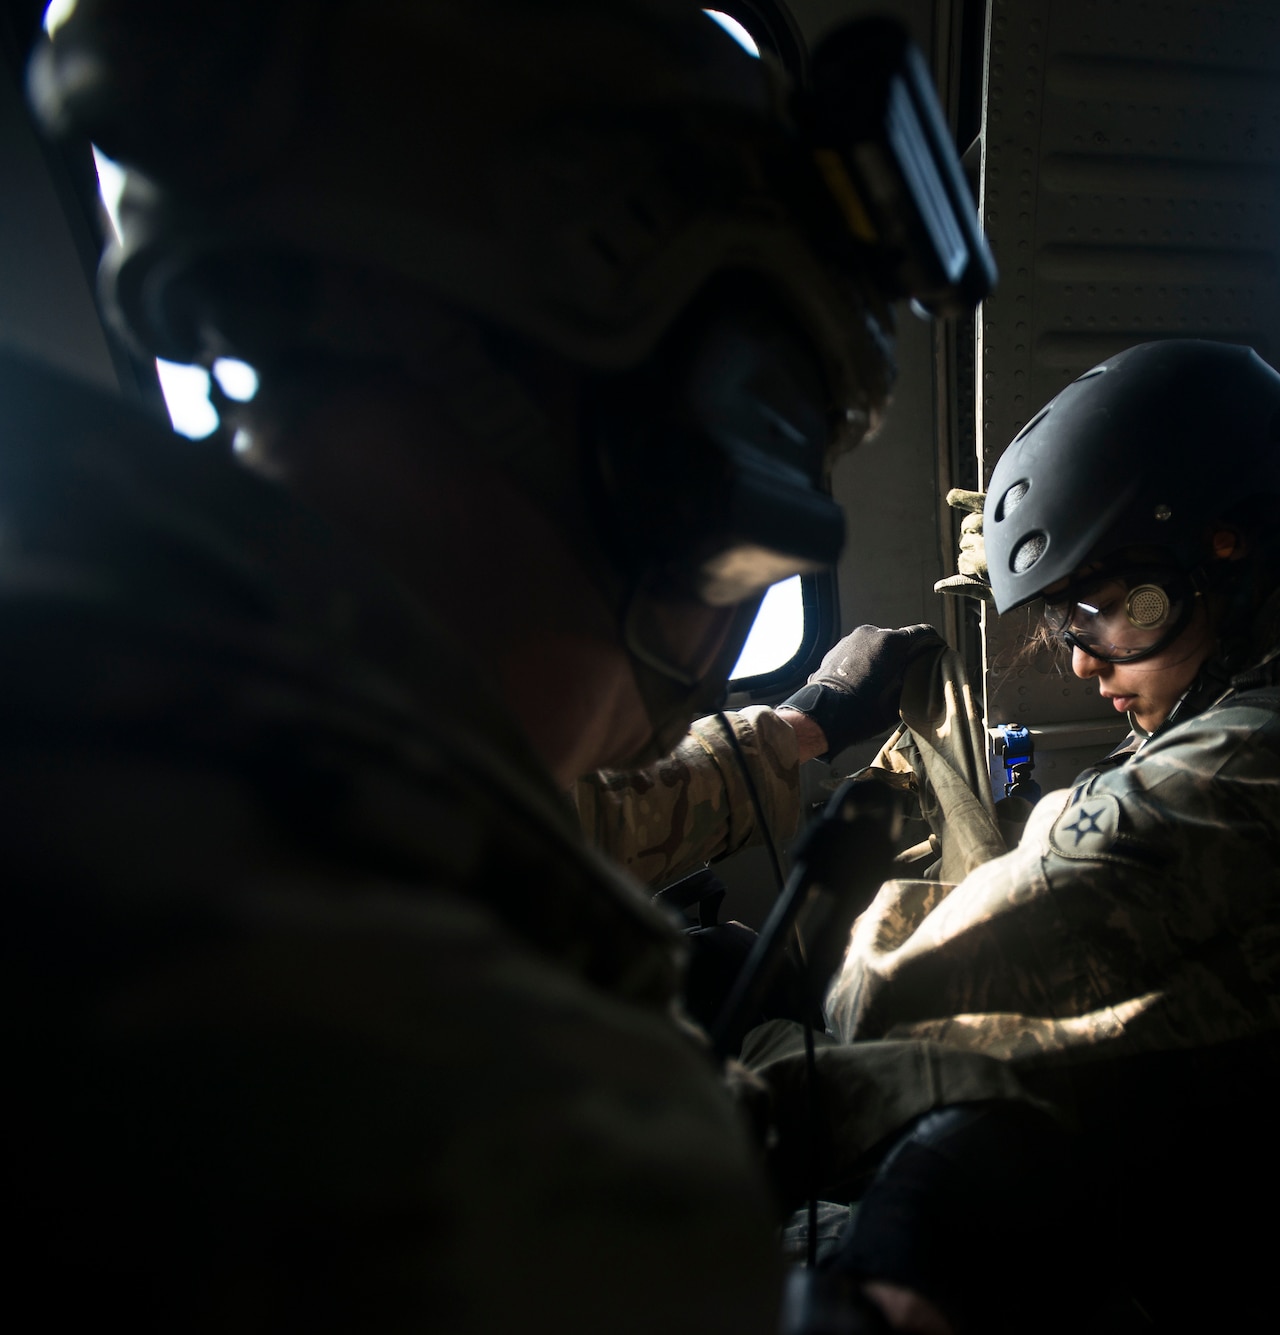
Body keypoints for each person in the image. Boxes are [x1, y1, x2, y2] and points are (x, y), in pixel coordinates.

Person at [2, 0, 988, 1326]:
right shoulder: (462, 1089)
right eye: (778, 424)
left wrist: (804, 725)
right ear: (678, 446)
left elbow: (552, 800)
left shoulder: (159, 673)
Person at [801, 340, 1280, 1329]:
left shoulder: (1242, 768)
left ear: (1222, 560)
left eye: (1106, 613)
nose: (1080, 666)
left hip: (1217, 1267)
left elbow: (882, 1007)